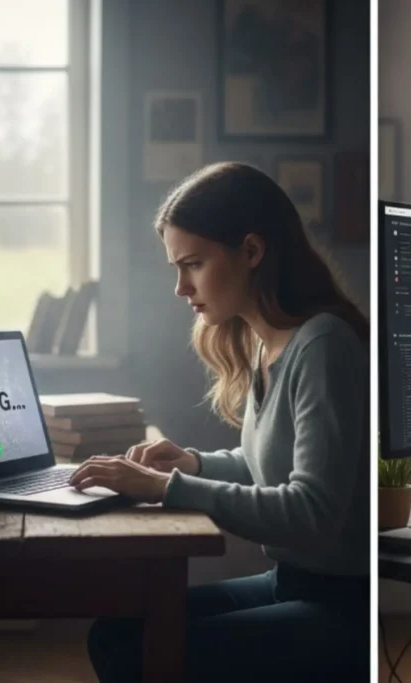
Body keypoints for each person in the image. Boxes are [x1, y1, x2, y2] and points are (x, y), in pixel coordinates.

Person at [70, 162, 369, 682]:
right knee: (113, 632)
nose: (181, 288)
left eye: (193, 264)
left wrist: (169, 487)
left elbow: (312, 511)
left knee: (138, 654)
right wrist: (196, 463)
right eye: (176, 268)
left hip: (343, 605)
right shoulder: (264, 340)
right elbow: (268, 465)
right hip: (290, 582)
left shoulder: (322, 345)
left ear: (252, 252)